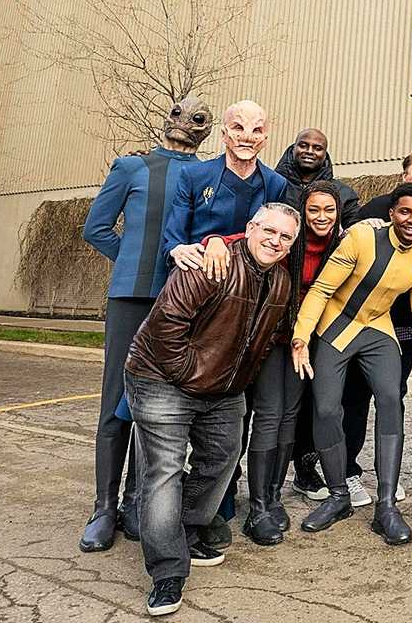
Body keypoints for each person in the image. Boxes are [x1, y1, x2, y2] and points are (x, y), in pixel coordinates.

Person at [123, 203, 298, 617]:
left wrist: (236, 379)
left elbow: (264, 335)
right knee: (163, 471)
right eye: (268, 230)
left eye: (285, 236)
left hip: (222, 388)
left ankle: (183, 529)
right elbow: (167, 324)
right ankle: (168, 572)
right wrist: (192, 372)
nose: (275, 241)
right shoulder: (209, 264)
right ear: (250, 228)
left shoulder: (281, 281)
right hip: (162, 377)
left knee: (221, 459)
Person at [292, 183, 412, 546]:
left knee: (390, 400)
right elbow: (320, 291)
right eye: (405, 211)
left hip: (378, 328)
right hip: (336, 326)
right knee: (327, 408)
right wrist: (301, 338)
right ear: (391, 213)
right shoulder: (362, 240)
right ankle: (338, 496)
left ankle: (386, 506)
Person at [78, 97, 212, 553]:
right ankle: (103, 506)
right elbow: (96, 228)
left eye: (199, 119)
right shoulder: (131, 167)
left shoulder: (205, 176)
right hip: (131, 298)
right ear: (167, 118)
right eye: (182, 114)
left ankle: (137, 500)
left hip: (179, 302)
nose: (188, 124)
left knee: (154, 408)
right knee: (115, 400)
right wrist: (133, 262)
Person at [160, 100, 290, 546]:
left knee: (235, 416)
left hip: (251, 314)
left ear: (266, 136)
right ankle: (140, 503)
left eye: (256, 129)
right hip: (199, 311)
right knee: (172, 413)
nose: (246, 136)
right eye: (238, 127)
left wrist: (221, 239)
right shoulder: (194, 177)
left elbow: (275, 237)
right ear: (224, 133)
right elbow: (174, 238)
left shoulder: (275, 183)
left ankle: (223, 505)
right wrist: (187, 248)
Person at [199, 182, 347, 545]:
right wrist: (213, 241)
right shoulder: (285, 239)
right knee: (268, 411)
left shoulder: (340, 243)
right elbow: (240, 239)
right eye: (314, 210)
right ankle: (259, 506)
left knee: (289, 415)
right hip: (270, 336)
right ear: (304, 211)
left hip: (303, 338)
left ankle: (274, 494)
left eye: (329, 210)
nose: (322, 217)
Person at [310, 146, 412, 508]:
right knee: (344, 403)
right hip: (345, 323)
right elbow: (328, 281)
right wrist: (301, 335)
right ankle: (345, 478)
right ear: (404, 174)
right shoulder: (373, 217)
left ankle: (387, 488)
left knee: (391, 397)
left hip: (397, 328)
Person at [273, 127, 362, 228]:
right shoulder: (272, 184)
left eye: (317, 148)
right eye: (303, 146)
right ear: (293, 149)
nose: (309, 151)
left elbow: (355, 225)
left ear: (325, 155)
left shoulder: (342, 193)